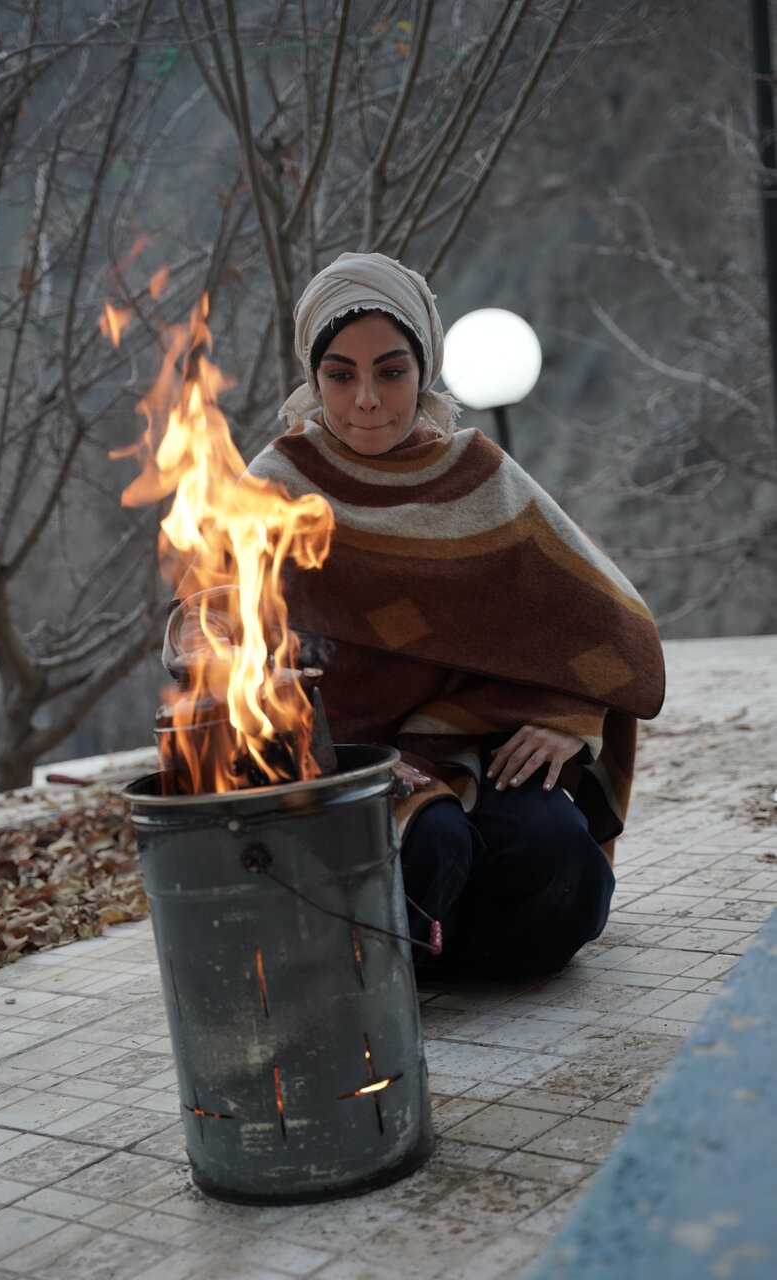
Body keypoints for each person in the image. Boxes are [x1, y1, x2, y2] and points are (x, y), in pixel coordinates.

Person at [241, 252, 665, 979]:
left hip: (474, 745)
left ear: (425, 369)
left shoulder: (478, 476)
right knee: (433, 841)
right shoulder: (275, 488)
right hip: (342, 766)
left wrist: (566, 716)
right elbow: (214, 636)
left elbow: (606, 623)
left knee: (563, 869)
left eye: (393, 370)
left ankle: (424, 953)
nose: (367, 399)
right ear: (313, 379)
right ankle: (390, 958)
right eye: (341, 374)